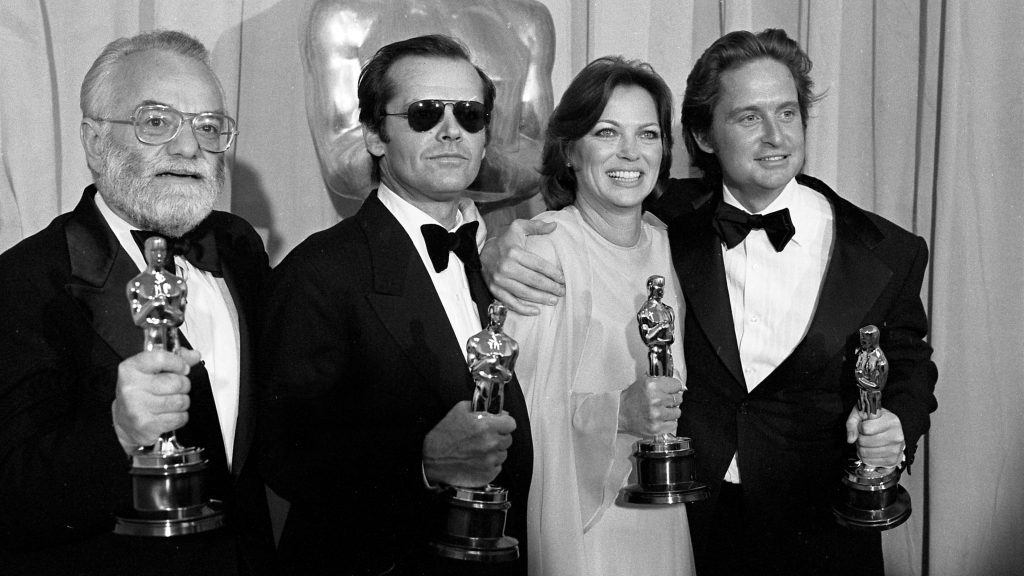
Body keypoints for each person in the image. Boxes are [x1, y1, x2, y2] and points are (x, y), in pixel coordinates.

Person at [483, 28, 938, 576]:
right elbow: (585, 215)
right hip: (687, 524)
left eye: (787, 113)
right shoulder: (666, 219)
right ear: (703, 135)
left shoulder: (887, 249)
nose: (774, 136)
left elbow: (910, 366)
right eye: (748, 117)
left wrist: (898, 428)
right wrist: (494, 245)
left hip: (823, 531)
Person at [0, 31, 275, 575]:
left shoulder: (239, 246)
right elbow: (10, 496)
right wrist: (118, 434)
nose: (189, 147)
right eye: (157, 121)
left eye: (208, 126)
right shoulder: (25, 282)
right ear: (95, 140)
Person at [258, 34, 532, 575]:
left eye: (470, 115)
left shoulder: (500, 257)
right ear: (375, 136)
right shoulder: (321, 270)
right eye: (425, 114)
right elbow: (282, 451)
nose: (451, 130)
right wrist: (424, 463)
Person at [499, 56, 694, 576]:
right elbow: (521, 416)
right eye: (607, 132)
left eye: (648, 134)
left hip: (664, 520)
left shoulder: (668, 244)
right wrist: (620, 414)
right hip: (583, 531)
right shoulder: (546, 249)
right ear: (570, 151)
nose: (630, 152)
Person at [301, 0, 555, 230]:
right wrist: (458, 157)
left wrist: (446, 154)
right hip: (386, 240)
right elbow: (342, 164)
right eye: (422, 112)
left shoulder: (527, 18)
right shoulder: (343, 13)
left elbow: (537, 157)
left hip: (497, 240)